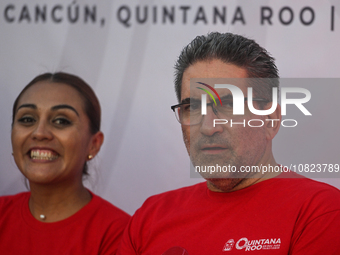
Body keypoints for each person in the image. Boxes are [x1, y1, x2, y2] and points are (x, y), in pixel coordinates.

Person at [118, 32, 340, 254]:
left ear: (270, 121)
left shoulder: (320, 211)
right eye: (193, 108)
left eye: (228, 105)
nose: (208, 127)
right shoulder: (150, 217)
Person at [0, 72, 130, 254]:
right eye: (27, 119)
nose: (39, 132)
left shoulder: (120, 234)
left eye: (61, 121)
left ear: (93, 145)